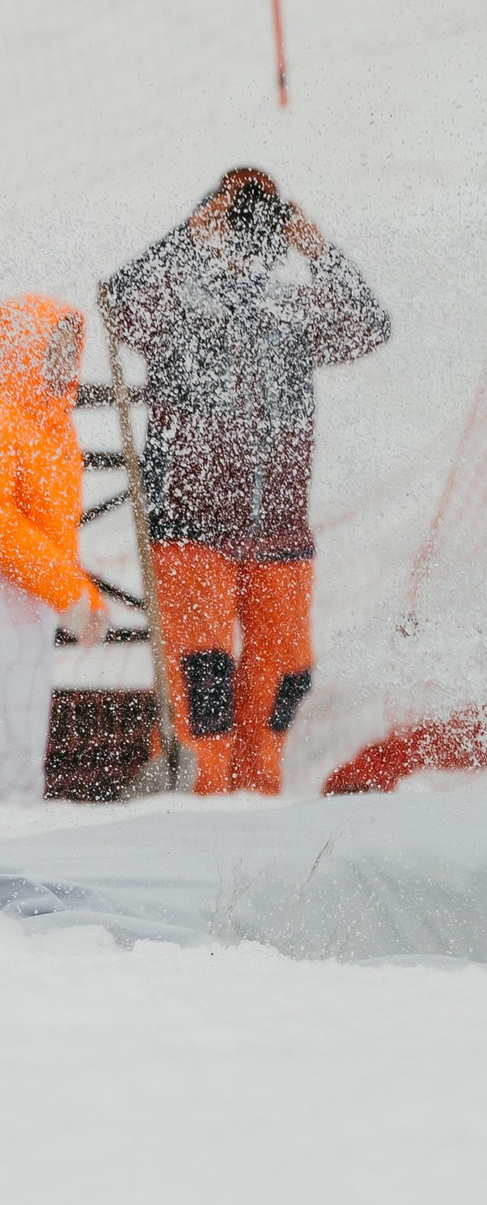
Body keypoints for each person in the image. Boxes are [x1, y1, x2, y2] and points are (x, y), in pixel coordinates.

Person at [102, 168, 390, 796]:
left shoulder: (289, 312)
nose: (248, 252)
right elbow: (119, 303)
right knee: (202, 681)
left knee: (287, 679)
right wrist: (187, 235)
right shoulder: (180, 310)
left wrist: (316, 248)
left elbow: (370, 324)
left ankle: (260, 800)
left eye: (261, 240)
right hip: (192, 531)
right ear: (215, 241)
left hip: (280, 535)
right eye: (239, 237)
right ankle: (197, 802)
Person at [0, 297, 109, 803]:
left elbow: (53, 532)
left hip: (34, 599)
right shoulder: (5, 417)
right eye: (52, 347)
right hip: (9, 592)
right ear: (23, 348)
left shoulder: (56, 426)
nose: (65, 360)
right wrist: (68, 592)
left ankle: (20, 832)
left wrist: (82, 595)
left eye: (71, 348)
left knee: (23, 723)